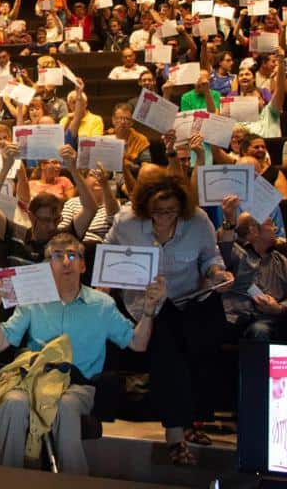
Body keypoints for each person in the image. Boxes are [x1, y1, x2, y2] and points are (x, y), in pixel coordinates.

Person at [0, 231, 164, 473]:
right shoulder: (32, 300)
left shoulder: (102, 304)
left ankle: (72, 481)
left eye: (72, 255)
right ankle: (6, 480)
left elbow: (137, 344)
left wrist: (149, 310)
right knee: (12, 402)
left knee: (65, 406)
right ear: (48, 266)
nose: (66, 261)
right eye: (57, 256)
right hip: (35, 381)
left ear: (82, 265)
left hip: (78, 385)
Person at [105, 174, 233, 466]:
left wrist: (217, 275)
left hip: (190, 297)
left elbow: (210, 258)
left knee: (208, 339)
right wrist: (107, 283)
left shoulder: (198, 221)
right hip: (148, 303)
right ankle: (175, 435)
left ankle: (193, 419)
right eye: (157, 211)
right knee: (167, 350)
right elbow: (109, 252)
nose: (164, 217)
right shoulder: (127, 222)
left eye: (171, 211)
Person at [217, 196, 287, 341]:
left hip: (267, 319)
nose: (276, 228)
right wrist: (229, 218)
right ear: (254, 230)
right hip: (234, 318)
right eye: (270, 224)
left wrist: (279, 308)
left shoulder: (281, 260)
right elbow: (224, 244)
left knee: (260, 330)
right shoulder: (236, 254)